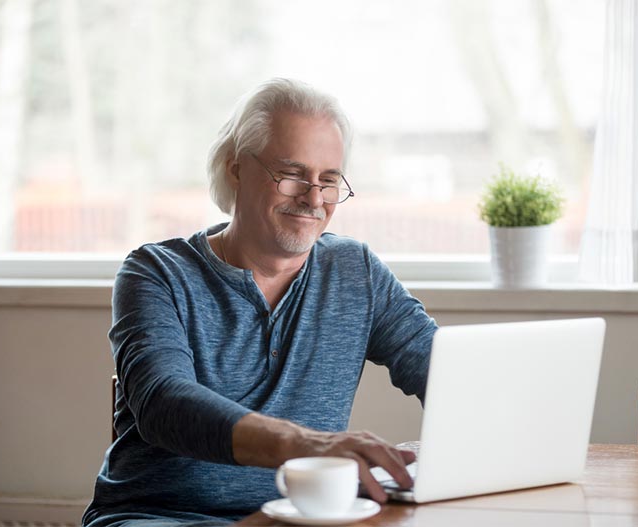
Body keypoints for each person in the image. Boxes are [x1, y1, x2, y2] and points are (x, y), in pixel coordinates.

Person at [82, 78, 438, 527]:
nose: (313, 198)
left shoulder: (355, 272)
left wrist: (453, 450)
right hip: (158, 516)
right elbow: (163, 403)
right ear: (235, 168)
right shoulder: (156, 272)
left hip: (303, 516)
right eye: (292, 174)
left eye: (328, 180)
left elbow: (445, 372)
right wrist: (309, 445)